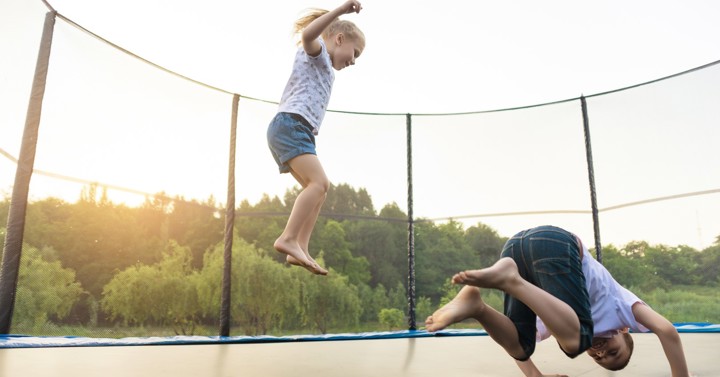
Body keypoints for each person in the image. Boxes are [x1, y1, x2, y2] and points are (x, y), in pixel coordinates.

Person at [425, 225, 690, 377]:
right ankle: (511, 280)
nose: (600, 351)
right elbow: (666, 330)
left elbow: (519, 352)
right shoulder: (622, 310)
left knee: (521, 345)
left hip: (515, 249)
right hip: (555, 243)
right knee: (576, 342)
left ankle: (476, 305)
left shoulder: (556, 318)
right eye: (613, 351)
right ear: (623, 332)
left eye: (598, 358)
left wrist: (536, 376)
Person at [266, 0, 365, 275]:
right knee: (319, 183)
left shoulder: (327, 70)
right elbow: (308, 35)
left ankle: (300, 247)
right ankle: (287, 238)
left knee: (319, 190)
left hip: (298, 130)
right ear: (339, 38)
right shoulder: (317, 52)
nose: (354, 61)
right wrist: (342, 10)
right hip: (290, 125)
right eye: (354, 52)